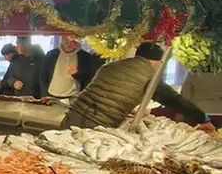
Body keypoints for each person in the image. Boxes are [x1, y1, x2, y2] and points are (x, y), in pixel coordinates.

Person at [62, 42, 215, 131]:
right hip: (98, 125)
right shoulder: (149, 75)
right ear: (156, 61)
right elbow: (175, 100)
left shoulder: (111, 66)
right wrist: (202, 118)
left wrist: (129, 107)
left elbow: (104, 91)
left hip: (73, 114)